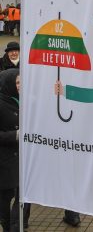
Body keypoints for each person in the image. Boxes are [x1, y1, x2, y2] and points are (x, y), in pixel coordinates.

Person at [0, 69, 31, 231]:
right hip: (5, 160)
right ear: (8, 84)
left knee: (25, 193)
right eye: (17, 82)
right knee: (5, 197)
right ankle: (6, 225)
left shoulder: (25, 100)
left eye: (21, 82)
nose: (20, 86)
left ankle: (17, 225)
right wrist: (15, 135)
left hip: (24, 156)